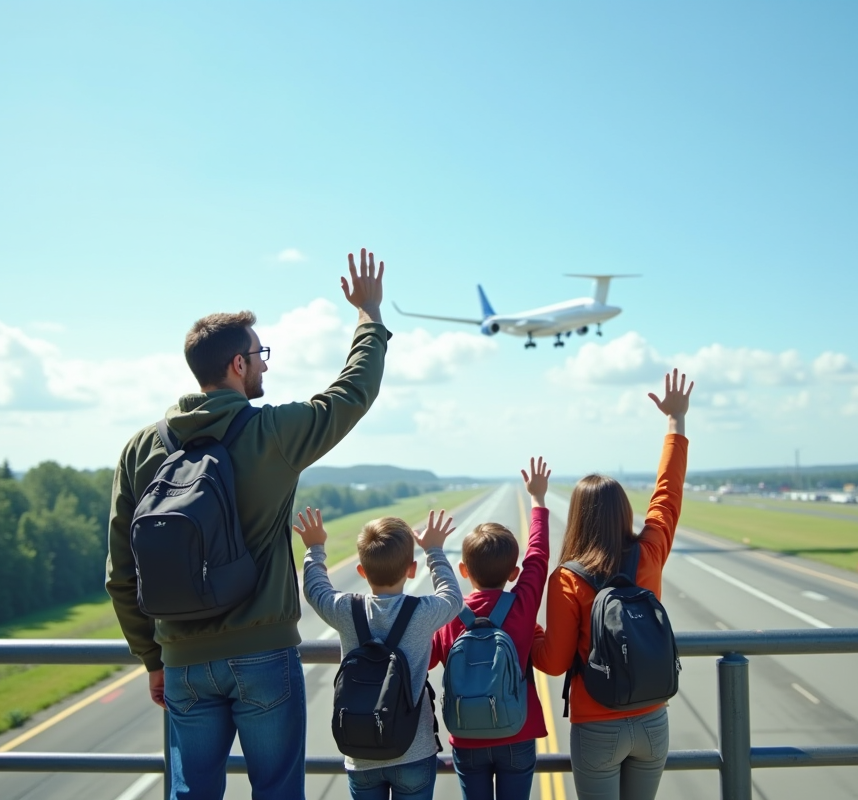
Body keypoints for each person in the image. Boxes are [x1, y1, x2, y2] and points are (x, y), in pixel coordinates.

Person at [106, 250, 390, 799]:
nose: (264, 365)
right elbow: (352, 393)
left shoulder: (141, 448)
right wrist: (368, 316)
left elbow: (121, 573)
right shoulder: (274, 432)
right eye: (260, 355)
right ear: (238, 364)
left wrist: (153, 658)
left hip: (182, 661)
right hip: (264, 654)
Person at [531, 368, 693, 800]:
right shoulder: (650, 551)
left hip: (597, 725)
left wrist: (529, 633)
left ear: (577, 519)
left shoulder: (567, 578)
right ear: (624, 512)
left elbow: (554, 662)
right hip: (653, 719)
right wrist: (675, 421)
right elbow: (668, 495)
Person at [295, 508, 464, 800]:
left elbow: (315, 589)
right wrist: (434, 550)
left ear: (361, 571)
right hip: (413, 751)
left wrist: (315, 548)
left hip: (361, 753)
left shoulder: (346, 610)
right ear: (412, 570)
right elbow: (452, 596)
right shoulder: (422, 612)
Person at [428, 457, 552, 800]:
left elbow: (428, 658)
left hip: (467, 736)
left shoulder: (449, 612)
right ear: (514, 574)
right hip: (517, 731)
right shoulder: (522, 606)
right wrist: (538, 500)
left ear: (463, 570)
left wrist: (433, 551)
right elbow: (538, 556)